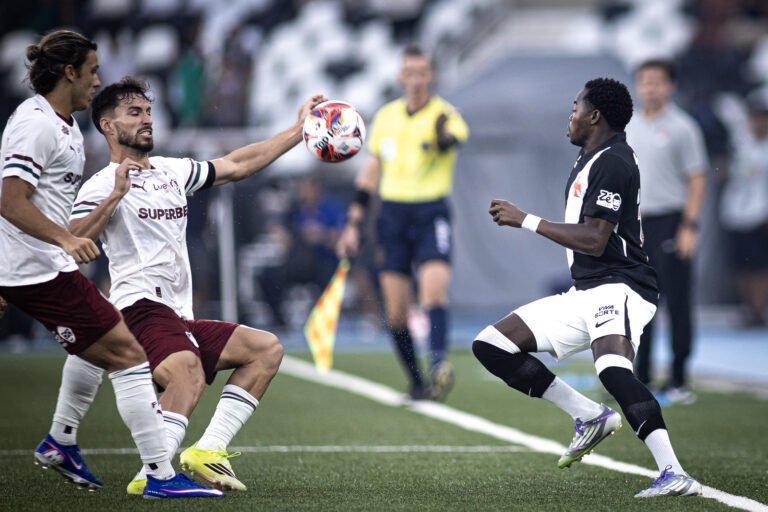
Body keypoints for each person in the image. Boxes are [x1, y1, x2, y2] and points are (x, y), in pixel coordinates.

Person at [43, 76, 325, 494]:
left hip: (177, 315)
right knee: (187, 373)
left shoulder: (172, 170)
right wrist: (115, 196)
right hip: (136, 309)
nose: (147, 120)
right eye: (134, 113)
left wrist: (299, 131)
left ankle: (206, 451)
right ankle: (153, 475)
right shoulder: (101, 184)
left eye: (149, 112)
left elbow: (236, 164)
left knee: (265, 350)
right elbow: (72, 237)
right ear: (106, 125)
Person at [0, 30, 220, 498]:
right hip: (38, 270)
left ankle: (61, 440)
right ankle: (159, 475)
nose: (98, 81)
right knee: (128, 356)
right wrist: (59, 241)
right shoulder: (36, 125)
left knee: (104, 336)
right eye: (93, 71)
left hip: (35, 268)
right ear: (69, 72)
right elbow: (10, 201)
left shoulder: (62, 127)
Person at [473, 78, 701, 498]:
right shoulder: (589, 157)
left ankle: (674, 472)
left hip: (622, 286)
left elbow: (595, 239)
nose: (571, 115)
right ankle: (588, 416)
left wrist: (525, 219)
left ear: (594, 115)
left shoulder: (614, 161)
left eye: (575, 107)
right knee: (491, 345)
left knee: (612, 369)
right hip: (588, 290)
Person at [336, 45, 469, 401]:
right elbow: (371, 172)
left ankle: (439, 364)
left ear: (431, 75)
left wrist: (441, 136)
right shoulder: (387, 117)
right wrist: (353, 221)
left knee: (433, 293)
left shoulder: (446, 114)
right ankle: (417, 381)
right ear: (400, 77)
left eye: (422, 72)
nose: (415, 80)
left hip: (430, 212)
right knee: (395, 312)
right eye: (409, 73)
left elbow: (450, 140)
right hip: (392, 215)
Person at [625, 59, 708, 404]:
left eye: (657, 82)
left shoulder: (683, 127)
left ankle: (678, 378)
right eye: (644, 82)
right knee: (639, 301)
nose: (650, 88)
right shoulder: (628, 127)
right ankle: (640, 375)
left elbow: (697, 178)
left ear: (670, 86)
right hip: (639, 224)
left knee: (677, 302)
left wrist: (690, 225)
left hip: (673, 220)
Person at [259, 174, 346, 329]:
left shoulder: (330, 208)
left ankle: (320, 323)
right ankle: (280, 322)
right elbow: (280, 229)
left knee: (329, 281)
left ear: (316, 189)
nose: (302, 192)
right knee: (267, 277)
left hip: (323, 261)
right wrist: (283, 235)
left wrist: (321, 235)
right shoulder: (294, 209)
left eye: (305, 188)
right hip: (298, 261)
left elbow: (341, 237)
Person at [717, 89, 768, 327]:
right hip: (737, 212)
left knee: (760, 266)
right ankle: (749, 309)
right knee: (741, 266)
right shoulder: (740, 142)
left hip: (761, 214)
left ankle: (760, 310)